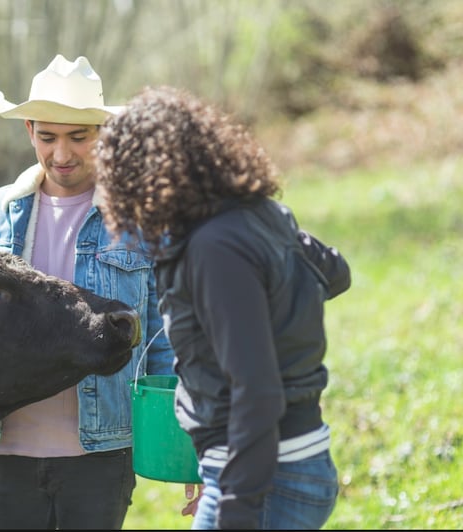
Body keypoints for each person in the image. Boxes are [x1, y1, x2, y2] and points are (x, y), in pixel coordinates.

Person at [94, 85, 352, 530]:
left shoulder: (214, 248)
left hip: (268, 478)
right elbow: (337, 272)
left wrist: (236, 502)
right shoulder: (253, 217)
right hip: (283, 464)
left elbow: (257, 390)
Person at [0, 55, 178, 529]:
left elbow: (163, 340)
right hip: (15, 445)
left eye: (78, 137)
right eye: (48, 137)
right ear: (29, 131)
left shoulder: (141, 217)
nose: (61, 154)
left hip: (102, 450)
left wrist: (188, 450)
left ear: (103, 134)